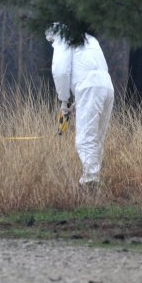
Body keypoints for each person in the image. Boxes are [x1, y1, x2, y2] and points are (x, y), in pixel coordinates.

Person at [46, 24, 114, 187]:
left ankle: (90, 182)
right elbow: (94, 70)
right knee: (97, 137)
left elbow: (60, 71)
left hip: (89, 87)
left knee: (84, 138)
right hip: (106, 86)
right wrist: (77, 102)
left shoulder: (63, 38)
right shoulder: (91, 39)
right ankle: (93, 177)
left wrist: (64, 101)